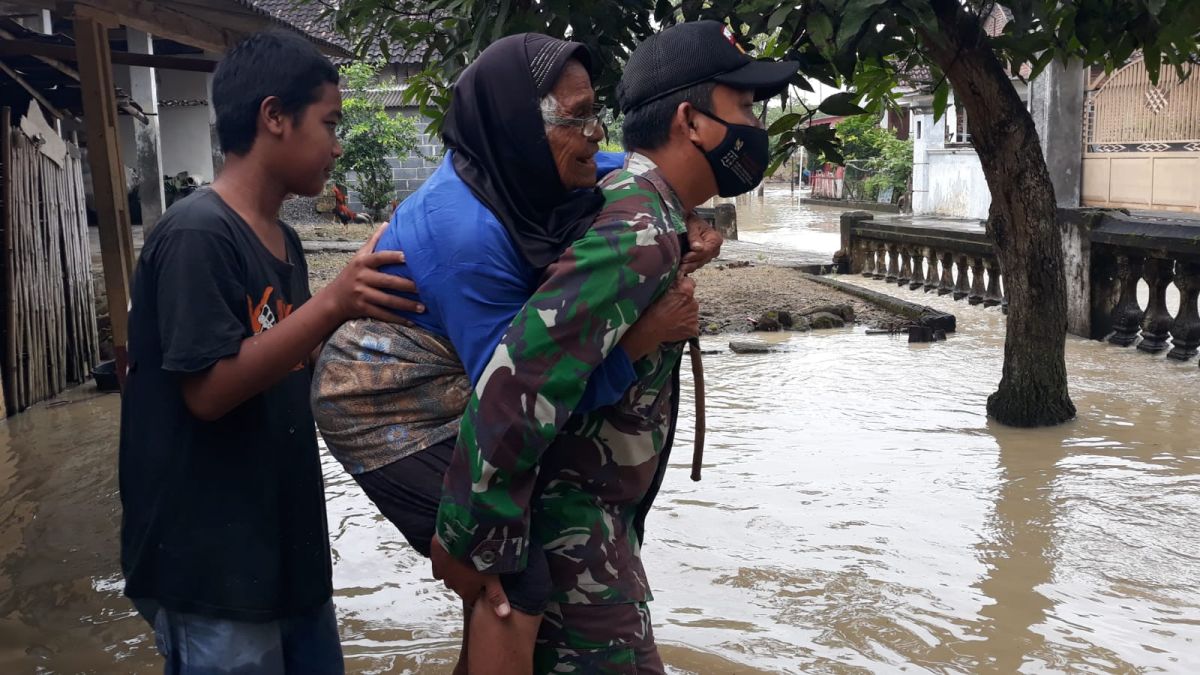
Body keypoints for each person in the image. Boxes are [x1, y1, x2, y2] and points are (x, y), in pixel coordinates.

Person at [312, 34, 714, 674]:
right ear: (518, 127)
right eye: (576, 117)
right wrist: (640, 339)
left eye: (594, 110)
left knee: (503, 560)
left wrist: (683, 214)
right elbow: (516, 393)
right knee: (509, 567)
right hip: (383, 404)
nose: (594, 132)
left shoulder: (519, 165)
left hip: (449, 374)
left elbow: (626, 166)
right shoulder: (465, 239)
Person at [430, 21, 799, 673]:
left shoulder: (646, 211)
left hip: (600, 523)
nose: (753, 124)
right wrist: (469, 542)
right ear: (690, 120)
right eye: (742, 107)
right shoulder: (639, 230)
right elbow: (519, 379)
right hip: (576, 530)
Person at [119, 31, 420, 674]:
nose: (338, 146)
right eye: (330, 124)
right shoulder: (198, 234)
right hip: (211, 566)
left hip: (284, 552)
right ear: (274, 117)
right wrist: (334, 304)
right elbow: (207, 393)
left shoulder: (283, 240)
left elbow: (294, 355)